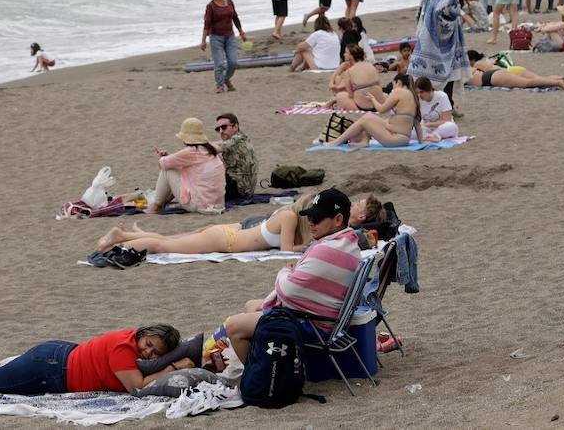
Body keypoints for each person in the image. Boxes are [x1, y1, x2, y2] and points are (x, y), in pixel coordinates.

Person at [215, 189, 363, 368]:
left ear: (338, 219)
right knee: (250, 305)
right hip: (325, 317)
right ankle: (271, 366)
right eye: (309, 217)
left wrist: (284, 272)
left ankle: (257, 377)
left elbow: (288, 291)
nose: (310, 222)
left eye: (317, 218)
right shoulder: (348, 244)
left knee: (233, 326)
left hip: (313, 325)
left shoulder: (326, 250)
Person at [96, 191, 381, 256]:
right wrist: (304, 247)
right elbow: (285, 250)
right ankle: (120, 235)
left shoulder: (290, 215)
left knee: (174, 241)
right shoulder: (290, 217)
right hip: (226, 241)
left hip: (230, 235)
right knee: (164, 246)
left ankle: (133, 234)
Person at [0, 326, 181, 394]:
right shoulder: (124, 348)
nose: (149, 354)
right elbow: (138, 387)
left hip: (56, 359)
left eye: (156, 353)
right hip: (52, 367)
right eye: (148, 345)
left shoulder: (129, 339)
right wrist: (172, 367)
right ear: (143, 334)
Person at [409, 0, 470, 111]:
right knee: (448, 69)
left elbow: (423, 5)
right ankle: (446, 106)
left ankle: (432, 105)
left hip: (426, 30)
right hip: (442, 35)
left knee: (427, 69)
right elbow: (452, 12)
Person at [150, 117, 226, 214]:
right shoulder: (210, 149)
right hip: (218, 203)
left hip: (199, 205)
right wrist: (170, 157)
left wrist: (162, 158)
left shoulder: (191, 151)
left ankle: (157, 205)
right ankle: (161, 203)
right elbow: (191, 165)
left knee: (166, 172)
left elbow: (163, 164)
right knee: (176, 170)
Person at [329, 74, 422, 147]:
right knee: (368, 116)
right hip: (404, 139)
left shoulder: (398, 92)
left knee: (365, 120)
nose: (393, 88)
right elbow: (417, 124)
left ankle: (336, 142)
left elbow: (381, 110)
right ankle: (364, 142)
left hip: (395, 139)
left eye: (393, 85)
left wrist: (372, 99)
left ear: (399, 83)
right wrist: (421, 143)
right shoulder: (413, 97)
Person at [199, 0, 246, 94]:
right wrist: (203, 40)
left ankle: (226, 79)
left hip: (230, 36)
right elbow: (207, 24)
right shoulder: (211, 6)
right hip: (216, 37)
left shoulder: (230, 2)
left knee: (233, 62)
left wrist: (241, 31)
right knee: (219, 64)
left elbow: (235, 17)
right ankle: (220, 85)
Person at [466, 49, 564, 89]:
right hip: (505, 71)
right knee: (539, 78)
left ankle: (558, 82)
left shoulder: (474, 66)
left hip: (492, 77)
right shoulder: (483, 61)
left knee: (528, 83)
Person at [211, 112, 257, 200]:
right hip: (245, 189)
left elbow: (214, 148)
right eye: (218, 129)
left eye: (224, 127)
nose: (221, 131)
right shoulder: (242, 137)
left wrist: (196, 144)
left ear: (235, 127)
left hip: (238, 189)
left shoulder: (236, 140)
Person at [331, 44, 385, 111]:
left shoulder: (349, 72)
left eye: (346, 52)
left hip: (363, 107)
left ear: (351, 56)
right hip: (380, 104)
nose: (344, 54)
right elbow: (379, 83)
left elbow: (350, 95)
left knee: (340, 96)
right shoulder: (371, 66)